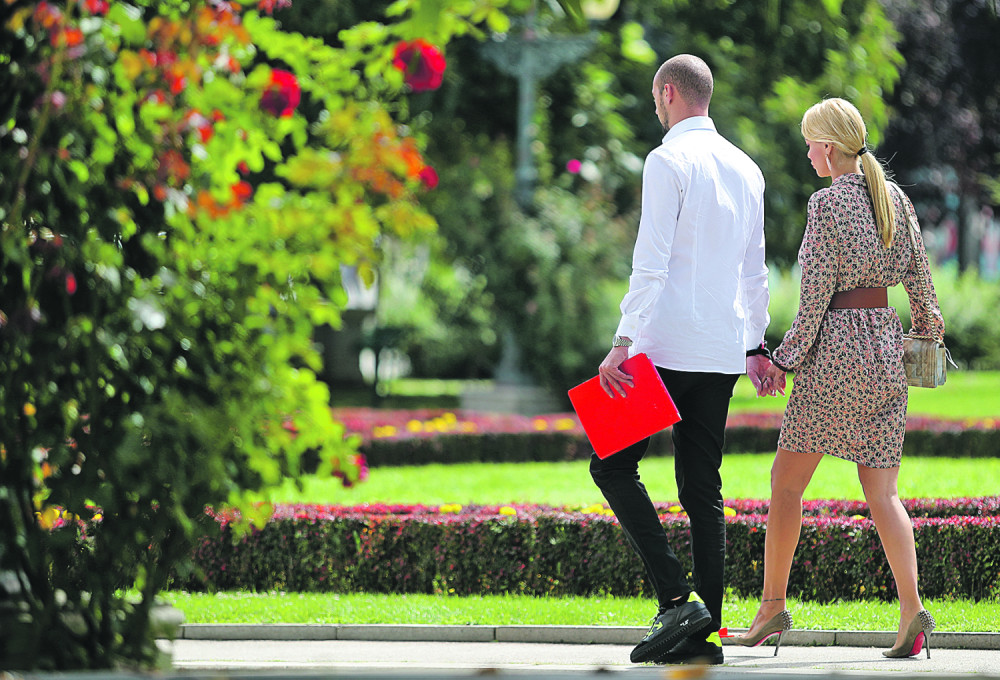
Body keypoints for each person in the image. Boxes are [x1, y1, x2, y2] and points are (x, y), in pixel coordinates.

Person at [736, 97, 945, 659]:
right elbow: (923, 288)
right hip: (886, 351)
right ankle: (911, 611)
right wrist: (926, 342)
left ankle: (773, 606)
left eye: (810, 143)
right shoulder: (895, 198)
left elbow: (816, 297)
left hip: (836, 356)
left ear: (828, 148)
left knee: (785, 483)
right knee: (883, 493)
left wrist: (783, 359)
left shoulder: (826, 203)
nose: (807, 153)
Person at [590, 54, 770, 666]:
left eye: (653, 96)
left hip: (660, 348)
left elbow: (652, 259)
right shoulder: (748, 168)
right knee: (703, 491)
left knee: (611, 468)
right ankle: (706, 638)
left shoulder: (666, 160)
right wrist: (755, 345)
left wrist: (622, 339)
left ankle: (676, 599)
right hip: (720, 351)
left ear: (669, 93)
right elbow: (755, 270)